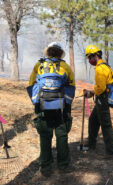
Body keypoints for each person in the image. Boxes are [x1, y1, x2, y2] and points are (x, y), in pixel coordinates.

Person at [27, 42, 75, 177]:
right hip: (60, 107)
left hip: (43, 106)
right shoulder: (65, 66)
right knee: (61, 135)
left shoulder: (39, 65)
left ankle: (46, 167)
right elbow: (71, 86)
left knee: (45, 136)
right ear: (60, 53)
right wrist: (67, 105)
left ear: (47, 52)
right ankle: (63, 166)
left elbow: (31, 85)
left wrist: (36, 103)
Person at [84, 44, 113, 159]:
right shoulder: (105, 66)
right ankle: (91, 144)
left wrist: (91, 92)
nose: (89, 60)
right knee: (93, 121)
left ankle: (110, 153)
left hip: (102, 99)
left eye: (89, 57)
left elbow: (101, 87)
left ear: (95, 55)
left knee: (106, 125)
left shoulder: (100, 68)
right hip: (101, 98)